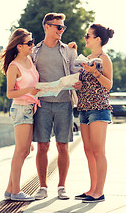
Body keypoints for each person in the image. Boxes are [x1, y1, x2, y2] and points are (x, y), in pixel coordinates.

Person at [32, 13, 82, 200]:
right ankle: (43, 187)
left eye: (63, 27)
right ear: (47, 26)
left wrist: (78, 82)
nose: (61, 30)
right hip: (42, 104)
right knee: (42, 146)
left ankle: (62, 187)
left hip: (64, 104)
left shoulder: (69, 50)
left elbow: (77, 73)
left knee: (62, 146)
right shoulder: (34, 51)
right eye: (58, 27)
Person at [0, 28, 40, 201]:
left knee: (25, 150)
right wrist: (28, 90)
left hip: (30, 108)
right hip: (21, 109)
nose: (32, 45)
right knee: (21, 150)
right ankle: (16, 191)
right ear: (19, 46)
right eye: (29, 43)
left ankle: (10, 189)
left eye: (32, 41)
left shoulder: (30, 60)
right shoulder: (13, 67)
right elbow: (9, 94)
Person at [75, 24, 114, 203]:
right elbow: (86, 83)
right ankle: (92, 188)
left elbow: (108, 85)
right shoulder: (87, 58)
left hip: (99, 108)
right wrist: (78, 84)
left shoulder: (104, 58)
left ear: (98, 39)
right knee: (88, 150)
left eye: (88, 35)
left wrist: (95, 72)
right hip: (84, 107)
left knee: (98, 151)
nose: (86, 38)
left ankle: (100, 192)